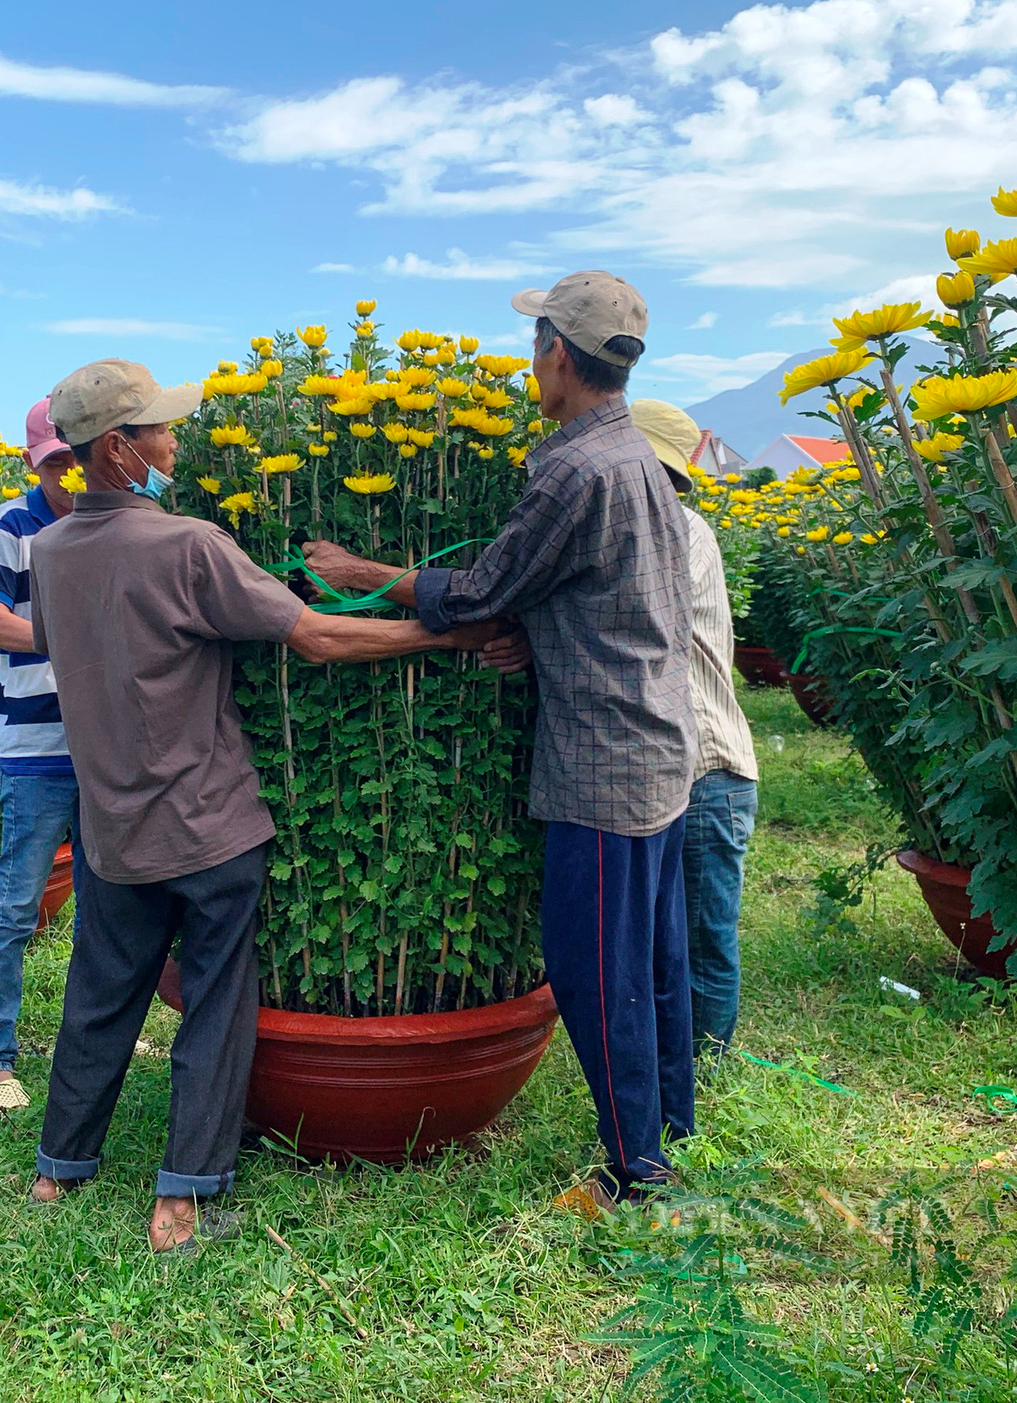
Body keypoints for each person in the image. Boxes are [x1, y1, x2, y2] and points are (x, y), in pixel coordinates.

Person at [26, 358, 501, 1253]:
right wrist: (442, 631)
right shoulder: (189, 543)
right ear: (119, 450)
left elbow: (66, 645)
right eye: (162, 431)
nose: (177, 442)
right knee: (215, 999)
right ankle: (181, 1200)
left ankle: (59, 1168)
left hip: (111, 827)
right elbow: (316, 635)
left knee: (98, 993)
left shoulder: (47, 554)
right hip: (207, 822)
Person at [304, 271, 697, 1208]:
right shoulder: (637, 457)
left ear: (558, 352)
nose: (531, 362)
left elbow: (481, 591)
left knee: (596, 971)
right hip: (657, 744)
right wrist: (546, 636)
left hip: (605, 763)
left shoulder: (573, 465)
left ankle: (639, 1171)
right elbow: (611, 597)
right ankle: (679, 1135)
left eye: (534, 346)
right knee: (654, 961)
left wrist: (366, 571)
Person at [632, 400, 759, 1064]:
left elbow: (638, 621)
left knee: (704, 936)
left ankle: (703, 1073)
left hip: (708, 771)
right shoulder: (647, 528)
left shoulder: (682, 531)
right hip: (672, 769)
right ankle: (675, 1063)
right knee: (666, 935)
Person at [0, 397, 78, 1115]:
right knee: (17, 902)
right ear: (34, 464)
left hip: (106, 746)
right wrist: (78, 634)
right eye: (55, 464)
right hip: (35, 744)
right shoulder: (13, 524)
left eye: (77, 459)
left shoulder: (115, 522)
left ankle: (103, 1031)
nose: (69, 476)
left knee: (111, 902)